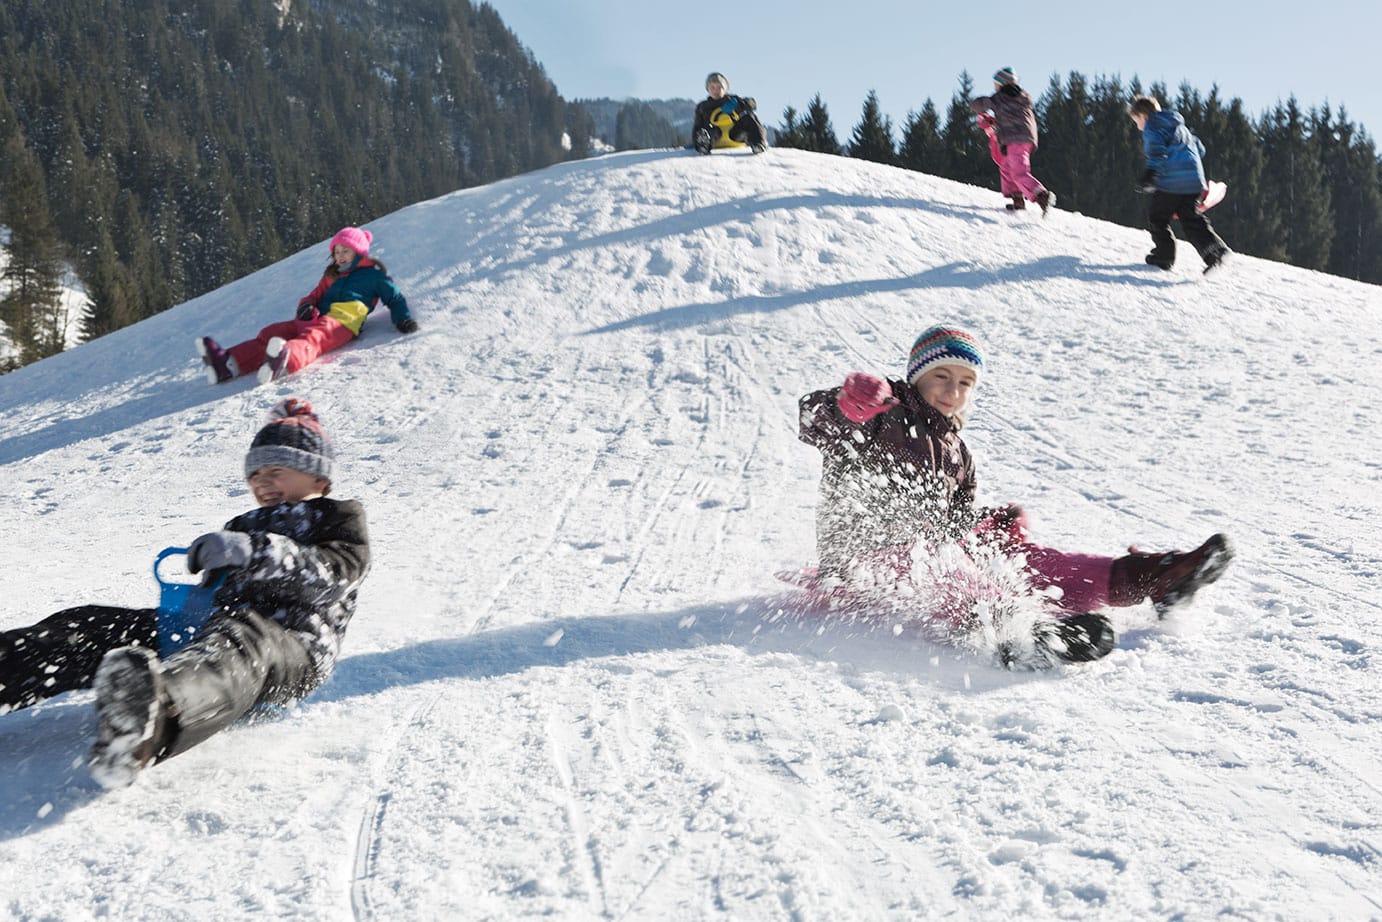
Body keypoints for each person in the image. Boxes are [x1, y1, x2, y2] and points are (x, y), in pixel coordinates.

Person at [798, 324, 1233, 660]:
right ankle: (1019, 635)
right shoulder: (884, 413)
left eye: (965, 382)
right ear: (918, 377)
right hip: (861, 566)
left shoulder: (959, 454)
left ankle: (1152, 578)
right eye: (941, 376)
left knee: (1017, 559)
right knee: (938, 564)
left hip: (924, 553)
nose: (953, 391)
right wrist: (848, 405)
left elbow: (951, 523)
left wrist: (987, 531)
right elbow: (816, 422)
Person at [0, 399, 370, 788]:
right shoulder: (241, 523)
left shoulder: (337, 517)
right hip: (216, 631)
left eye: (276, 470)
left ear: (318, 479)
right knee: (94, 621)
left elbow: (335, 574)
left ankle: (154, 718)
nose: (262, 482)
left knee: (243, 638)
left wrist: (252, 551)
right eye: (255, 474)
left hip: (291, 649)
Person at [198, 226, 418, 385]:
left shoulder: (374, 276)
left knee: (314, 339)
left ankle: (286, 360)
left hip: (343, 322)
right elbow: (314, 295)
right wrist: (306, 305)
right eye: (337, 252)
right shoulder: (331, 276)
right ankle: (228, 363)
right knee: (272, 332)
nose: (340, 257)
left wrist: (403, 319)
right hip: (315, 317)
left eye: (346, 251)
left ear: (359, 252)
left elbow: (395, 298)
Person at [1129, 95, 1231, 273]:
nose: (1138, 126)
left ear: (1143, 116)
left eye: (1136, 121)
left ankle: (1164, 256)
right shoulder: (1180, 126)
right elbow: (1200, 149)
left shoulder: (1152, 127)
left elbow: (1157, 151)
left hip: (1172, 181)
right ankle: (1215, 251)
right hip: (1194, 181)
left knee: (1157, 217)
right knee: (1190, 218)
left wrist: (1151, 174)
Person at [970, 68, 1054, 216]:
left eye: (996, 84)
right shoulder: (1023, 97)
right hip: (1026, 137)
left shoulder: (999, 98)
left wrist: (974, 105)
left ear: (1002, 84)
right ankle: (1018, 199)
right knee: (1006, 166)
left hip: (1014, 139)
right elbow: (1012, 116)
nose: (995, 87)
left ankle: (1041, 195)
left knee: (1019, 173)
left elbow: (982, 104)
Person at [693, 72, 768, 155]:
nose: (716, 90)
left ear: (725, 89)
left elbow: (752, 104)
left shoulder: (732, 100)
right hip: (714, 137)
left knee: (749, 117)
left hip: (735, 134)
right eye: (712, 87)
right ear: (708, 89)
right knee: (708, 129)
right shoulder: (703, 107)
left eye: (719, 87)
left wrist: (743, 104)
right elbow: (697, 127)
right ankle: (704, 145)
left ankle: (758, 144)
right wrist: (696, 142)